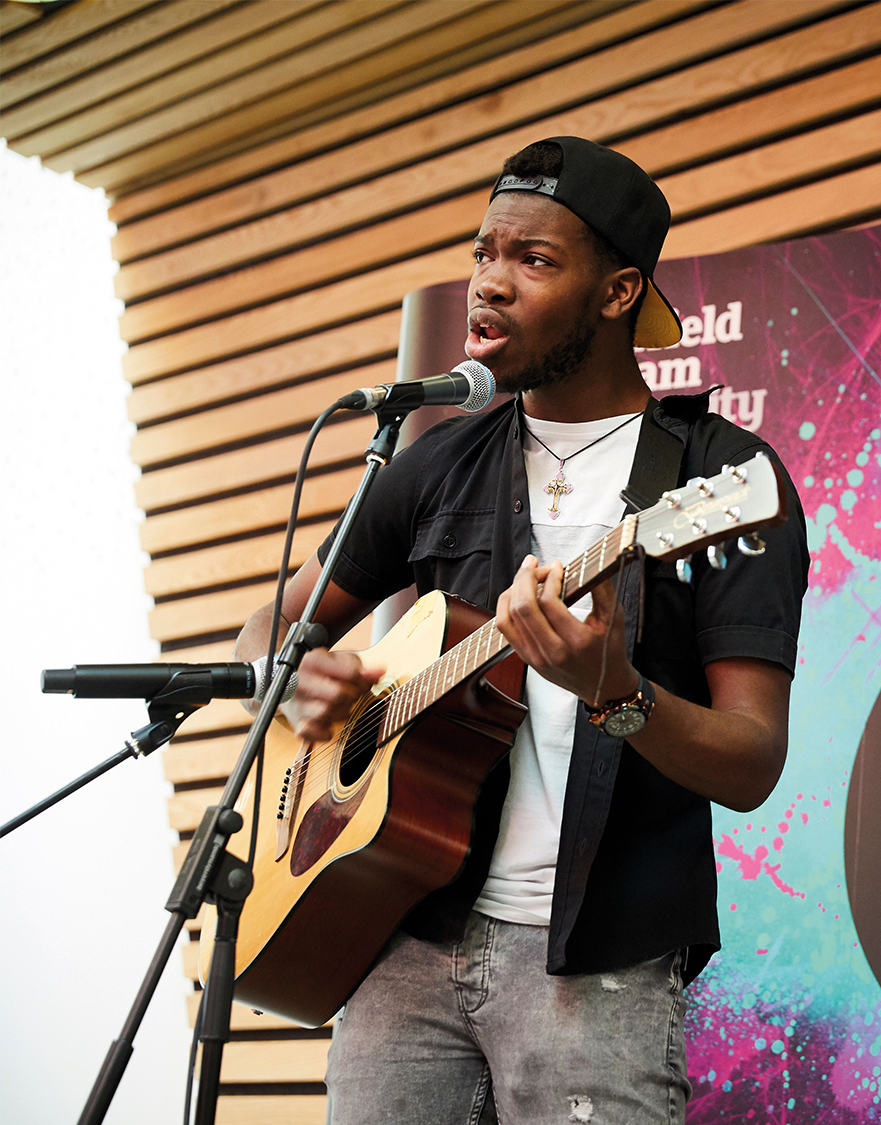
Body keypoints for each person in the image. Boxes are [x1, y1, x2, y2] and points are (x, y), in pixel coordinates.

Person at [231, 136, 809, 1124]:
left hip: (602, 959)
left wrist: (615, 692)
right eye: (484, 253)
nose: (489, 285)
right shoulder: (432, 463)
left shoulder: (718, 478)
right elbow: (266, 626)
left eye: (533, 260)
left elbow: (751, 761)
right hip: (401, 932)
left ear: (618, 291)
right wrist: (289, 678)